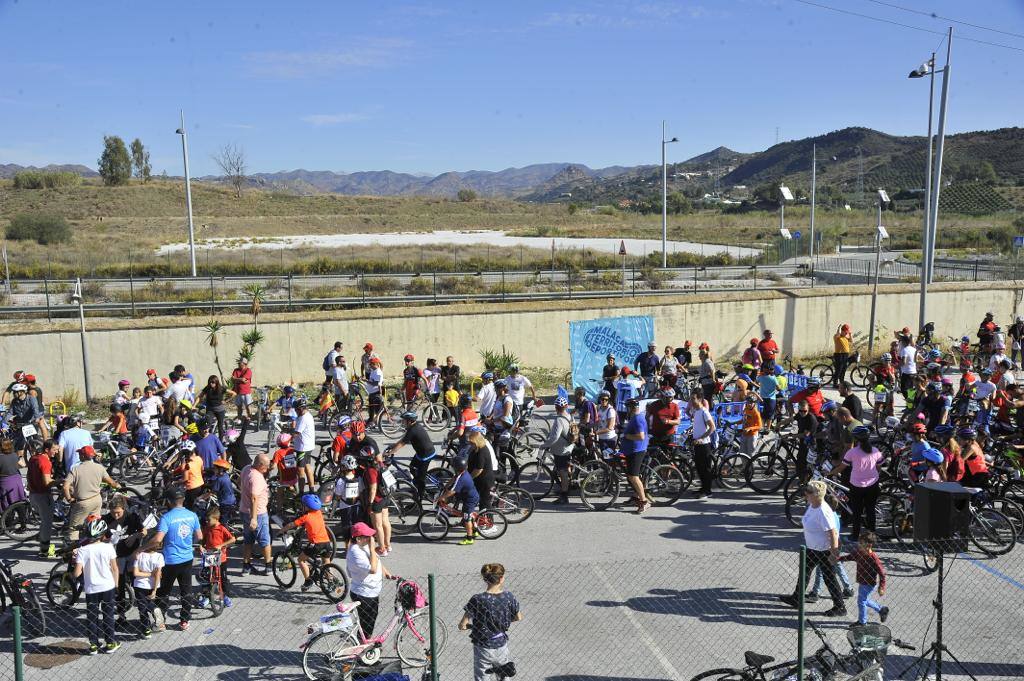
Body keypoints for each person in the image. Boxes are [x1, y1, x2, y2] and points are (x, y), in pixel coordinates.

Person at [779, 480, 846, 617]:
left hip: (823, 551)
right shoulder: (812, 505)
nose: (805, 493)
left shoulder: (823, 511)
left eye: (809, 492)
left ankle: (840, 607)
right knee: (804, 572)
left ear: (817, 495)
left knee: (829, 578)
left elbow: (833, 534)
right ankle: (797, 598)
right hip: (812, 548)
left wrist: (833, 554)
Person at [139, 487, 201, 631]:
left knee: (163, 592)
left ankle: (161, 622)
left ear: (168, 501)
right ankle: (184, 621)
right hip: (187, 558)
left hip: (171, 560)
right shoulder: (192, 515)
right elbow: (199, 536)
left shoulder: (166, 518)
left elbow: (157, 539)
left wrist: (141, 549)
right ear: (183, 500)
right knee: (186, 591)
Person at [459, 563, 523, 681]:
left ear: (485, 579)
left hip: (483, 647)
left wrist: (465, 626)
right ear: (501, 578)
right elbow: (518, 617)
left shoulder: (477, 599)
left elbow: (462, 624)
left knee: (482, 676)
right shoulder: (509, 597)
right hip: (501, 644)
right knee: (504, 674)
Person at [74, 516, 121, 654]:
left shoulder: (82, 550)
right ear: (103, 534)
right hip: (108, 586)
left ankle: (94, 645)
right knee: (108, 615)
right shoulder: (109, 547)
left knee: (92, 617)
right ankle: (111, 643)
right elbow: (115, 568)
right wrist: (116, 585)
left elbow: (77, 573)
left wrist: (74, 563)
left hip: (91, 589)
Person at [830, 426, 883, 542]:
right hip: (873, 485)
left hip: (856, 486)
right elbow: (879, 467)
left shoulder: (852, 452)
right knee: (870, 510)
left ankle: (855, 535)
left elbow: (842, 467)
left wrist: (830, 474)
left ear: (856, 439)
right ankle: (872, 534)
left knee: (857, 512)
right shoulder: (876, 451)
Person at [64, 446, 120, 541]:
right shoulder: (99, 467)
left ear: (82, 456)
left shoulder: (75, 469)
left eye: (79, 454)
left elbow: (65, 486)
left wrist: (69, 499)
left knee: (74, 528)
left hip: (83, 502)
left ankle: (73, 551)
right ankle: (95, 544)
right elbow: (111, 482)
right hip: (97, 500)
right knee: (95, 526)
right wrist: (119, 486)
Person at [102, 495, 144, 620]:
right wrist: (109, 540)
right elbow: (101, 538)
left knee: (138, 584)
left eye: (118, 513)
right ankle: (121, 616)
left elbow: (144, 531)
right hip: (116, 557)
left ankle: (143, 615)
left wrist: (135, 536)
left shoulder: (132, 517)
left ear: (124, 509)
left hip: (132, 555)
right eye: (113, 513)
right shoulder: (105, 519)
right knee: (119, 587)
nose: (115, 515)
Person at [347, 522, 391, 639]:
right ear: (358, 538)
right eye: (367, 536)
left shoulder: (362, 545)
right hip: (364, 594)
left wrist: (386, 572)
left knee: (369, 622)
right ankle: (362, 650)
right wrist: (372, 548)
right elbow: (372, 568)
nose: (371, 538)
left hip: (371, 592)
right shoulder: (355, 552)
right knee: (367, 625)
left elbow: (375, 559)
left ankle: (364, 643)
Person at [280, 494, 332, 592]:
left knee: (301, 560)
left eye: (303, 505)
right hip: (327, 543)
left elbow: (292, 524)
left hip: (316, 544)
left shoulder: (305, 517)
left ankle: (308, 580)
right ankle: (331, 581)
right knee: (326, 563)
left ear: (306, 507)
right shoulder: (319, 513)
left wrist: (282, 530)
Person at [839, 531, 889, 625]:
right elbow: (850, 557)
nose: (859, 545)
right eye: (859, 543)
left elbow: (882, 573)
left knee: (861, 601)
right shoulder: (859, 553)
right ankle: (881, 609)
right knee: (864, 600)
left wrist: (881, 587)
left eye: (861, 543)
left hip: (869, 583)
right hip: (862, 581)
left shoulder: (873, 558)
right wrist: (839, 559)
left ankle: (862, 622)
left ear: (869, 545)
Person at [384, 411, 436, 500]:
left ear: (410, 421)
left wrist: (390, 453)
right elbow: (403, 440)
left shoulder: (413, 430)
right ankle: (416, 483)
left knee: (420, 479)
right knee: (412, 467)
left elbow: (402, 444)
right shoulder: (413, 427)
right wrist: (393, 446)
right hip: (420, 453)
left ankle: (420, 496)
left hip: (426, 455)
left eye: (404, 421)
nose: (403, 422)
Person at [240, 454, 272, 575]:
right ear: (260, 465)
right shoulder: (256, 477)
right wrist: (254, 518)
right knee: (264, 540)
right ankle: (268, 565)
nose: (268, 468)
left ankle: (246, 566)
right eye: (266, 466)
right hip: (258, 513)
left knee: (248, 540)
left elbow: (239, 482)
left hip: (244, 510)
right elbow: (254, 498)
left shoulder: (246, 468)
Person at [540, 398, 574, 504]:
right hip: (569, 447)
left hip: (561, 450)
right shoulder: (569, 416)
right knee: (564, 470)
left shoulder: (559, 420)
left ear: (556, 407)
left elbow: (554, 437)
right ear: (566, 407)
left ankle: (564, 496)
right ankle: (568, 486)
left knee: (562, 472)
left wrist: (544, 445)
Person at [441, 458, 481, 545]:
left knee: (466, 519)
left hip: (470, 500)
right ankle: (475, 531)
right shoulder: (463, 473)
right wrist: (446, 486)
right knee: (467, 515)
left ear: (456, 468)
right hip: (470, 497)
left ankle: (469, 538)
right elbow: (454, 478)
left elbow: (452, 491)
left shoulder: (462, 479)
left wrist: (441, 497)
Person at [27, 439, 57, 557]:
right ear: (47, 450)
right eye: (54, 450)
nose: (56, 452)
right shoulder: (45, 462)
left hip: (33, 495)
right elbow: (47, 482)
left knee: (43, 521)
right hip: (43, 496)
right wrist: (60, 481)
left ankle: (41, 540)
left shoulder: (33, 458)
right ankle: (45, 551)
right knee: (47, 524)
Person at [620, 398, 650, 514]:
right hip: (632, 450)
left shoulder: (637, 419)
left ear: (631, 408)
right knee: (630, 475)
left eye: (627, 407)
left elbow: (641, 436)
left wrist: (627, 436)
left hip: (637, 450)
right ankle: (635, 496)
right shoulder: (635, 417)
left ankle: (644, 501)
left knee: (633, 476)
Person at [363, 447, 394, 555]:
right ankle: (388, 545)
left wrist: (370, 504)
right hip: (386, 497)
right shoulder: (381, 464)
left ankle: (382, 549)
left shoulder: (371, 470)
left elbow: (373, 488)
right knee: (386, 522)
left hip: (377, 500)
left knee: (378, 525)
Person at [133, 539, 164, 637]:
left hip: (140, 584)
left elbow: (135, 573)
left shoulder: (139, 555)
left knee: (142, 607)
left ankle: (146, 630)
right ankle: (154, 609)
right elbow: (158, 574)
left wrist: (145, 573)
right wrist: (154, 590)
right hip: (152, 585)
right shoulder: (159, 556)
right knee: (150, 603)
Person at [687, 392, 716, 498]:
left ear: (700, 399)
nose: (691, 401)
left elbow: (712, 427)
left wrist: (701, 438)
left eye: (693, 398)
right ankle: (703, 488)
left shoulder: (704, 412)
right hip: (697, 444)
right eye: (691, 399)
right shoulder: (696, 411)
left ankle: (707, 491)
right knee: (699, 468)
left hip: (704, 444)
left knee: (705, 469)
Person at [9, 383, 47, 461]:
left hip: (31, 422)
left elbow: (35, 409)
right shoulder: (14, 401)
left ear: (21, 392)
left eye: (15, 392)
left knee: (35, 440)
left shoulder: (31, 399)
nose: (13, 394)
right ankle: (18, 459)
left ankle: (41, 455)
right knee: (19, 442)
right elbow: (10, 412)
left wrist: (37, 418)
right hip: (20, 424)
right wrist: (4, 421)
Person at [466, 425, 499, 510]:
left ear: (476, 442)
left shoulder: (482, 452)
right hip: (479, 480)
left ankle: (488, 522)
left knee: (485, 504)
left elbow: (479, 469)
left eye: (471, 443)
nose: (470, 444)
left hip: (485, 482)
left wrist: (469, 478)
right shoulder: (476, 449)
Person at [292, 397, 317, 495]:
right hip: (308, 446)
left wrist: (287, 436)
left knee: (300, 471)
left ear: (301, 408)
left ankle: (301, 493)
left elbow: (296, 433)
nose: (295, 411)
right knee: (307, 467)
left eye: (296, 409)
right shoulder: (308, 415)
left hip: (302, 448)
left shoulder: (303, 418)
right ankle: (311, 489)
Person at [207, 458, 237, 525]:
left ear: (220, 470)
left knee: (222, 523)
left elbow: (212, 492)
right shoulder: (225, 476)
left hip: (225, 503)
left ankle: (225, 534)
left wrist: (201, 497)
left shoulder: (220, 479)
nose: (214, 470)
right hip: (231, 500)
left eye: (215, 468)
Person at [230, 357, 254, 421]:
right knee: (239, 407)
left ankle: (249, 419)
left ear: (244, 363)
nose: (238, 364)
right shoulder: (236, 370)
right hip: (237, 391)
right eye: (239, 363)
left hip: (246, 392)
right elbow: (232, 379)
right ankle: (239, 420)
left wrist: (236, 379)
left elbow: (244, 379)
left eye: (240, 363)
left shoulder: (248, 370)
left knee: (248, 407)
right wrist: (240, 379)